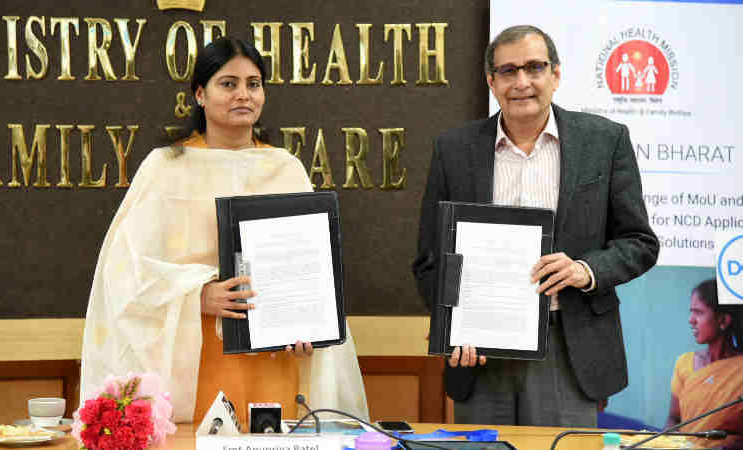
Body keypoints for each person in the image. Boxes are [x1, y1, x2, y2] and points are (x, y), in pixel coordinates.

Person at [79, 37, 369, 425]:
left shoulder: (287, 168)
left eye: (253, 83)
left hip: (274, 353)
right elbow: (124, 270)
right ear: (200, 94)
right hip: (197, 352)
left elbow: (310, 270)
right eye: (228, 84)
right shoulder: (166, 167)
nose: (243, 95)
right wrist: (196, 295)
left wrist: (309, 325)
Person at [412, 25, 659, 427]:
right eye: (507, 71)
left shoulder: (605, 141)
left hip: (568, 344)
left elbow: (640, 242)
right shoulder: (453, 150)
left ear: (556, 75)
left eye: (534, 67)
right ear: (491, 81)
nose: (521, 82)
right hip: (480, 354)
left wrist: (585, 270)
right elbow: (428, 260)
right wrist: (451, 323)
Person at [665, 279, 743, 449]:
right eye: (691, 312)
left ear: (723, 320)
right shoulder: (684, 363)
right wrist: (668, 443)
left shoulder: (740, 370)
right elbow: (674, 418)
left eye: (698, 313)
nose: (691, 320)